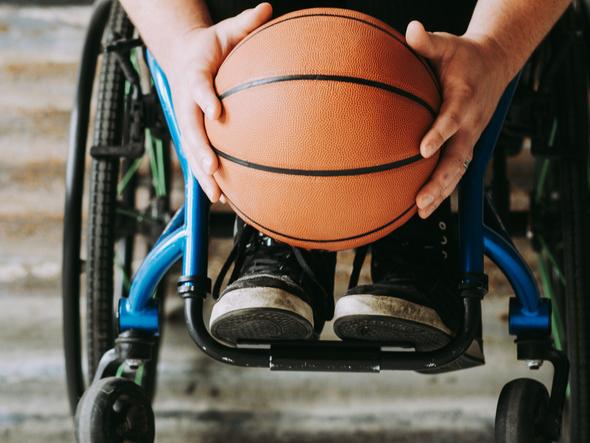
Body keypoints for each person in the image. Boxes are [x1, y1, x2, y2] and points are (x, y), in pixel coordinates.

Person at [120, 0, 570, 368]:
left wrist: (494, 48)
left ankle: (412, 223)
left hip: (438, 45)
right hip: (253, 57)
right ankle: (279, 225)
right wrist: (180, 43)